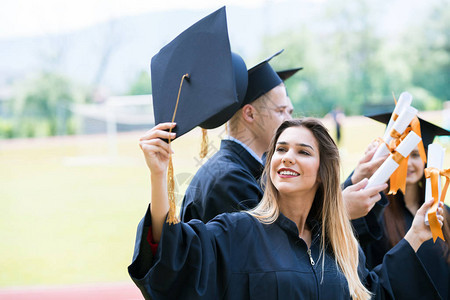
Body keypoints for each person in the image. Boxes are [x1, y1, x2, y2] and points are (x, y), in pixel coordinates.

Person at [129, 118, 443, 299]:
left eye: (303, 151)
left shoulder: (342, 245)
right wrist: (159, 176)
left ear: (323, 172)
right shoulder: (238, 232)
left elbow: (373, 293)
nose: (287, 156)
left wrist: (414, 236)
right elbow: (173, 255)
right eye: (280, 149)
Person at [180, 51, 296, 222]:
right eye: (280, 111)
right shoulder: (230, 180)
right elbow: (269, 243)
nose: (290, 121)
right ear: (250, 114)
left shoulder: (245, 168)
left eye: (290, 112)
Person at [359, 113, 450, 299]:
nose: (408, 163)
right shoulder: (373, 216)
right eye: (401, 155)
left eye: (415, 155)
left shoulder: (444, 213)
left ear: (426, 161)